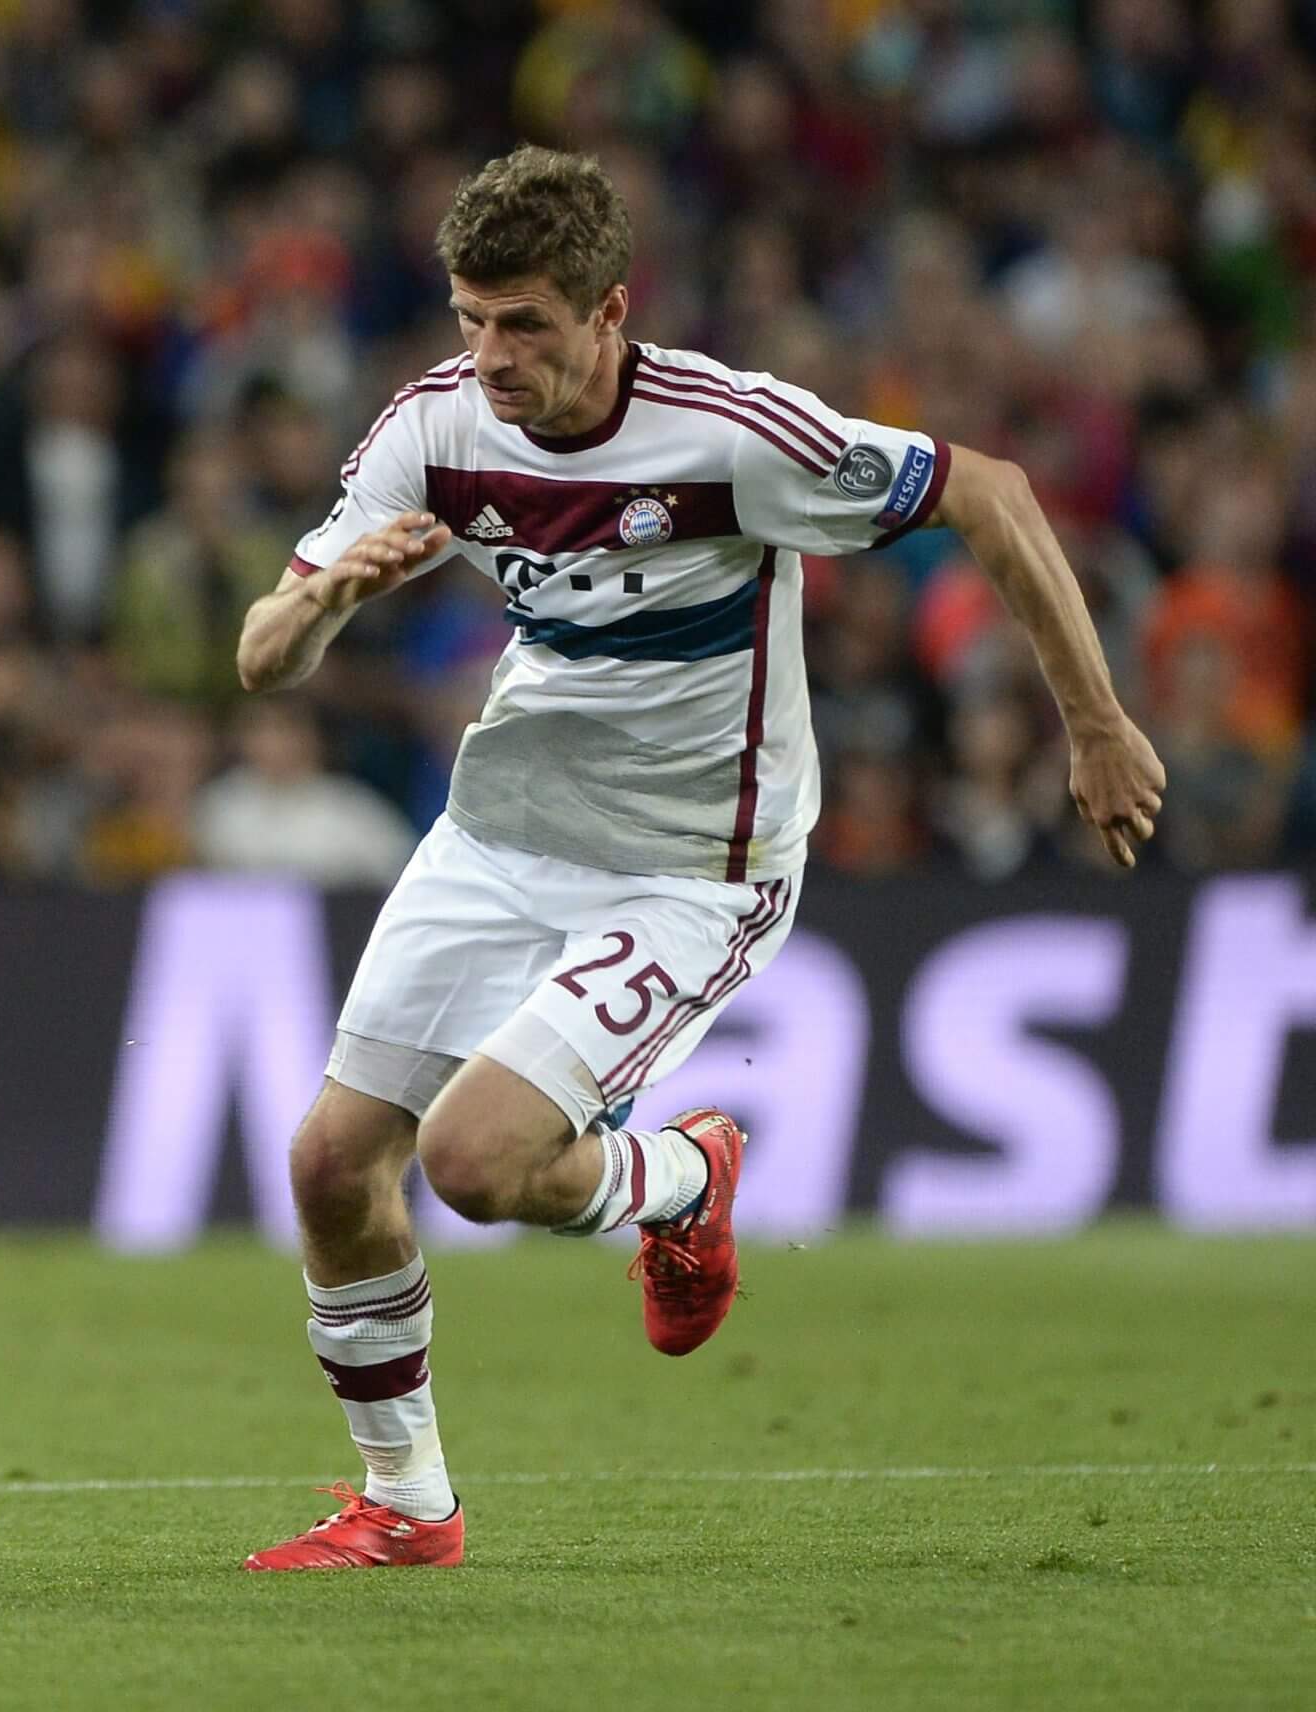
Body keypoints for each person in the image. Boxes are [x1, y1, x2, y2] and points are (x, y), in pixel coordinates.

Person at [231, 146, 1163, 1572]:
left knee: (477, 1164)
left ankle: (675, 1181)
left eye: (526, 322)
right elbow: (259, 660)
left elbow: (997, 495)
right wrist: (325, 608)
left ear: (609, 312)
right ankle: (406, 1507)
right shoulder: (432, 428)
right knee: (329, 1165)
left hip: (691, 866)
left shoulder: (736, 438)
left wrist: (1094, 727)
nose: (491, 354)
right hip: (501, 835)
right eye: (471, 318)